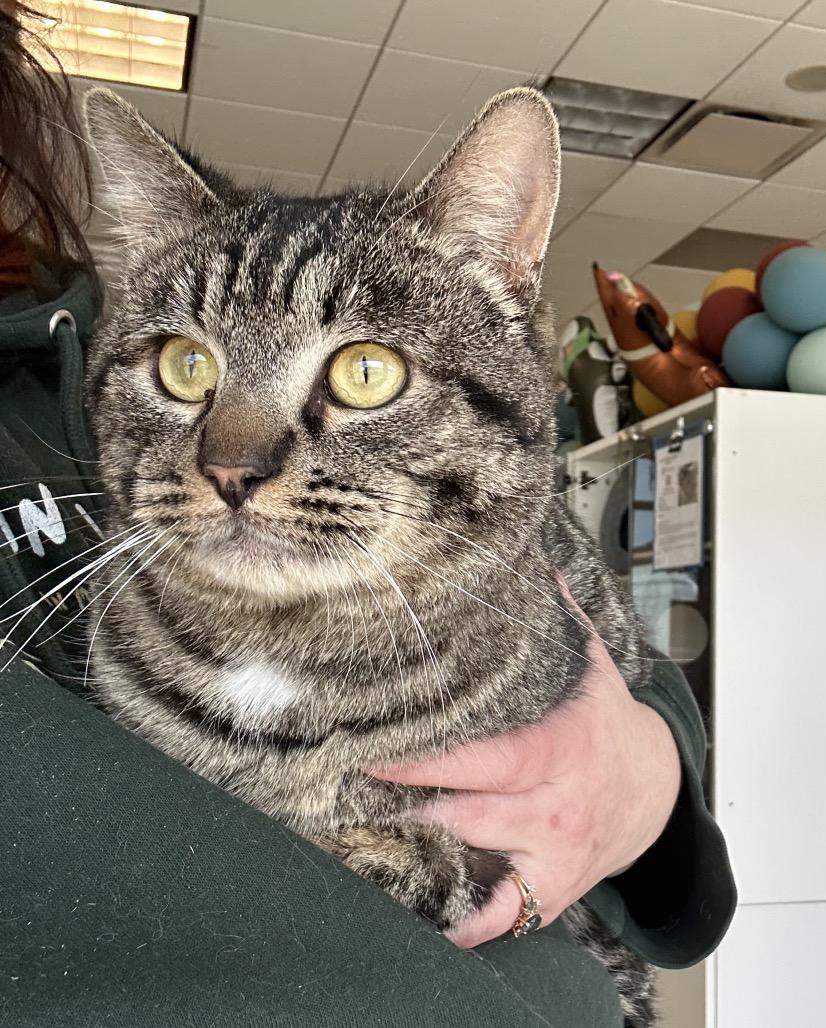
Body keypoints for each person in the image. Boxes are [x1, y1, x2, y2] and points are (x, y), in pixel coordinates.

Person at [0, 4, 735, 1025]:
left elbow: (651, 750)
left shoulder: (520, 607)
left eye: (363, 370)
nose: (234, 461)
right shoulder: (111, 592)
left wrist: (649, 772)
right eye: (186, 367)